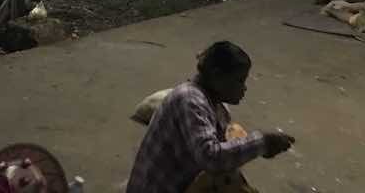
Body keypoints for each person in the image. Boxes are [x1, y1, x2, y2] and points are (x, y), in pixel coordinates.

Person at [126, 41, 295, 193]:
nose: (244, 88)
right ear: (217, 75)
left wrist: (257, 148)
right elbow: (211, 157)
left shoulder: (211, 101)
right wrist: (262, 143)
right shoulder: (190, 100)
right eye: (239, 81)